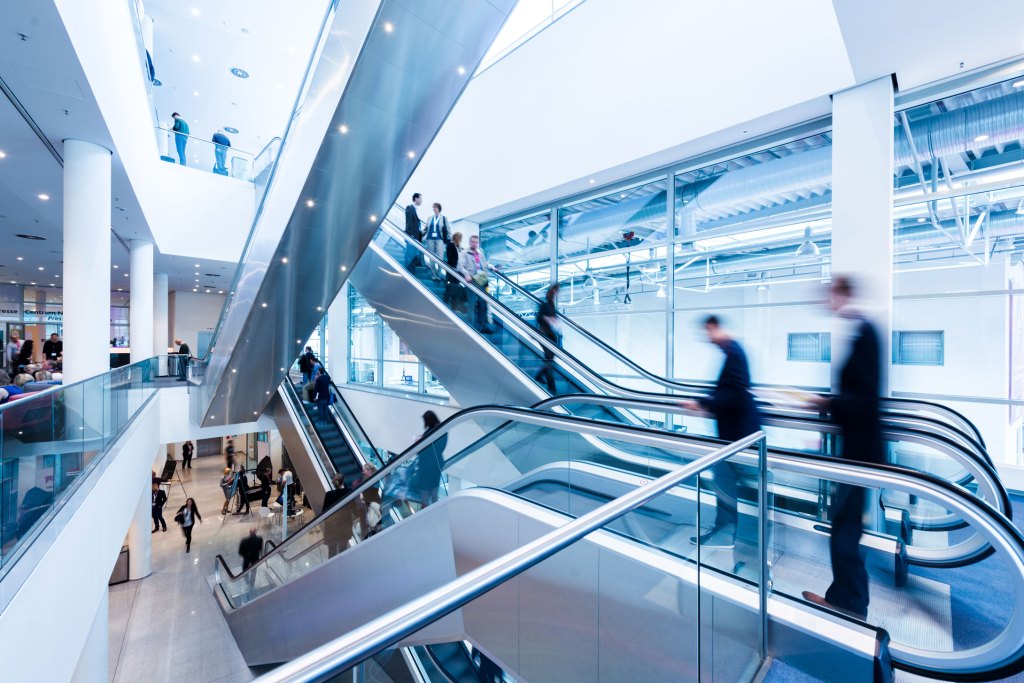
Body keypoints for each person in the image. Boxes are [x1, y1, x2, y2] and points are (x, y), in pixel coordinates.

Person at [800, 277, 884, 621]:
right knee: (845, 526)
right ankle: (846, 598)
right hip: (857, 448)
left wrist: (827, 402)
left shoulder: (866, 334)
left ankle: (849, 604)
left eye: (829, 295)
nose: (826, 302)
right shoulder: (861, 331)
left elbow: (863, 400)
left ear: (842, 294)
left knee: (845, 529)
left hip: (860, 451)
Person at [681, 315, 761, 549]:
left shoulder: (734, 353)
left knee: (728, 484)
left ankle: (728, 535)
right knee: (729, 484)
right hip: (737, 434)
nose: (707, 338)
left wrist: (702, 404)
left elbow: (734, 393)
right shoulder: (733, 352)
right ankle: (731, 534)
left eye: (708, 332)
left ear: (715, 328)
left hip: (737, 436)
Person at [458, 234, 492, 332]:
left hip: (482, 279)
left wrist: (490, 266)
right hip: (472, 280)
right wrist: (466, 274)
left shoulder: (480, 251)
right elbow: (461, 266)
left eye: (476, 242)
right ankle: (471, 327)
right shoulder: (465, 253)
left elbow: (484, 263)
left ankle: (483, 326)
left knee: (483, 304)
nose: (474, 244)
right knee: (472, 303)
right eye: (473, 242)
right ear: (469, 242)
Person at [412, 411, 446, 506]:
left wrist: (417, 441)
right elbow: (439, 448)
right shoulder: (442, 430)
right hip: (436, 466)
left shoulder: (429, 433)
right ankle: (435, 514)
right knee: (434, 494)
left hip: (426, 468)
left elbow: (423, 451)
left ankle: (425, 515)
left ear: (428, 420)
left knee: (425, 495)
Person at [534, 283, 562, 393]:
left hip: (550, 333)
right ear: (552, 291)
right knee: (549, 358)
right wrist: (548, 319)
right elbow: (539, 317)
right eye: (556, 290)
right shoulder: (545, 304)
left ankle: (540, 376)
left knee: (550, 358)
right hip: (544, 333)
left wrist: (554, 320)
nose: (557, 293)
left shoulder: (551, 304)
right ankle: (551, 387)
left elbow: (551, 317)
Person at [322, 475, 352, 557]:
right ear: (343, 481)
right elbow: (353, 509)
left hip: (331, 528)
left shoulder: (329, 495)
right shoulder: (349, 492)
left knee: (332, 553)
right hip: (345, 527)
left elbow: (324, 513)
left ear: (333, 483)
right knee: (343, 550)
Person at [423, 202, 451, 279]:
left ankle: (438, 274)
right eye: (433, 207)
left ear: (439, 209)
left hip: (439, 239)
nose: (434, 209)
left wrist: (451, 240)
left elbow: (448, 230)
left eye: (435, 207)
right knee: (431, 257)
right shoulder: (429, 218)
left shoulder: (444, 218)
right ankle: (433, 274)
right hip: (430, 239)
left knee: (440, 258)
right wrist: (420, 235)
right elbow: (425, 229)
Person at [444, 232, 465, 310]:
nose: (461, 240)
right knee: (449, 287)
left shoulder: (460, 248)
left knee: (455, 289)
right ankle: (445, 303)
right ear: (457, 238)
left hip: (458, 272)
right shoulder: (450, 245)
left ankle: (454, 307)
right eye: (460, 239)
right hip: (451, 271)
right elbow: (450, 257)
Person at [404, 192, 424, 267]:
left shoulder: (417, 209)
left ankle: (412, 270)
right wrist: (410, 236)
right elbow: (409, 223)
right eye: (420, 199)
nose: (421, 201)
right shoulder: (409, 208)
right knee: (409, 254)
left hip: (417, 237)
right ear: (416, 199)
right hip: (411, 236)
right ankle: (407, 270)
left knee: (413, 254)